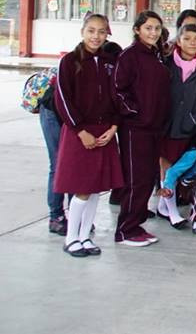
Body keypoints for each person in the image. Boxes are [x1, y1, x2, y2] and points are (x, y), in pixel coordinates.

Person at [53, 13, 124, 257]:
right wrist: (80, 130)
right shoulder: (70, 61)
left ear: (107, 34)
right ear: (83, 31)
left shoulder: (110, 61)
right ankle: (71, 238)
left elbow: (117, 97)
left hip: (104, 132)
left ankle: (85, 237)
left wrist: (114, 126)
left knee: (95, 189)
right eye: (91, 30)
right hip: (80, 132)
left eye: (101, 31)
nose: (96, 36)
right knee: (82, 187)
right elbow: (62, 99)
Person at [112, 10, 171, 247]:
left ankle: (136, 224)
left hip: (154, 128)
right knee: (136, 180)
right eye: (148, 28)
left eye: (157, 28)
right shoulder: (129, 56)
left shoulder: (155, 55)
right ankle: (125, 230)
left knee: (147, 178)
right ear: (137, 30)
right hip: (135, 129)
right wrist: (136, 113)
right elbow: (118, 89)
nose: (153, 32)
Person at [157, 23, 196, 229]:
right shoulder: (166, 63)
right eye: (187, 38)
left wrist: (194, 119)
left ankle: (164, 205)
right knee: (166, 168)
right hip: (165, 124)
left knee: (179, 167)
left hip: (188, 128)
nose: (192, 43)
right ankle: (171, 211)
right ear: (178, 41)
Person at [37, 67, 66, 235]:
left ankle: (75, 214)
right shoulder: (75, 61)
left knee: (71, 165)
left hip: (69, 114)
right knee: (58, 164)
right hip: (52, 111)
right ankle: (56, 217)